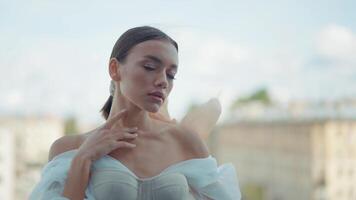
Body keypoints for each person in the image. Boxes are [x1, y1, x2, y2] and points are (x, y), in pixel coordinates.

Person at [29, 26, 241, 200]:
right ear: (115, 69)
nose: (162, 81)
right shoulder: (69, 149)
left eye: (171, 74)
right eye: (150, 67)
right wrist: (83, 158)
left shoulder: (185, 140)